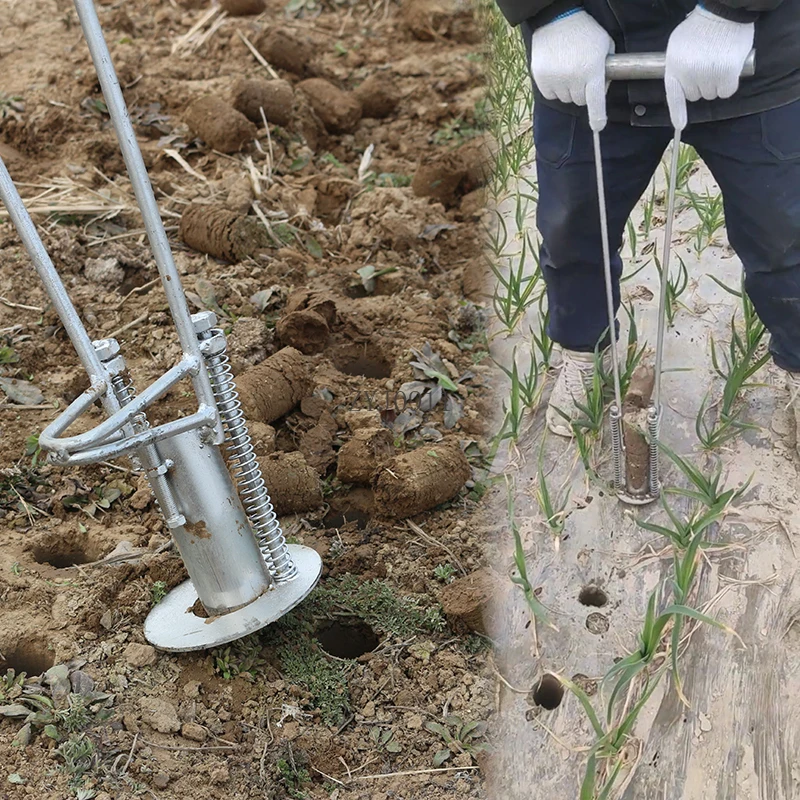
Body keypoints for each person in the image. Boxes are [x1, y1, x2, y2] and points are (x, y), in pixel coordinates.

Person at [492, 0, 800, 437]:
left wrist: (731, 11)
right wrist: (550, 14)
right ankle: (584, 350)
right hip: (585, 60)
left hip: (754, 57)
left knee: (784, 231)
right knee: (572, 228)